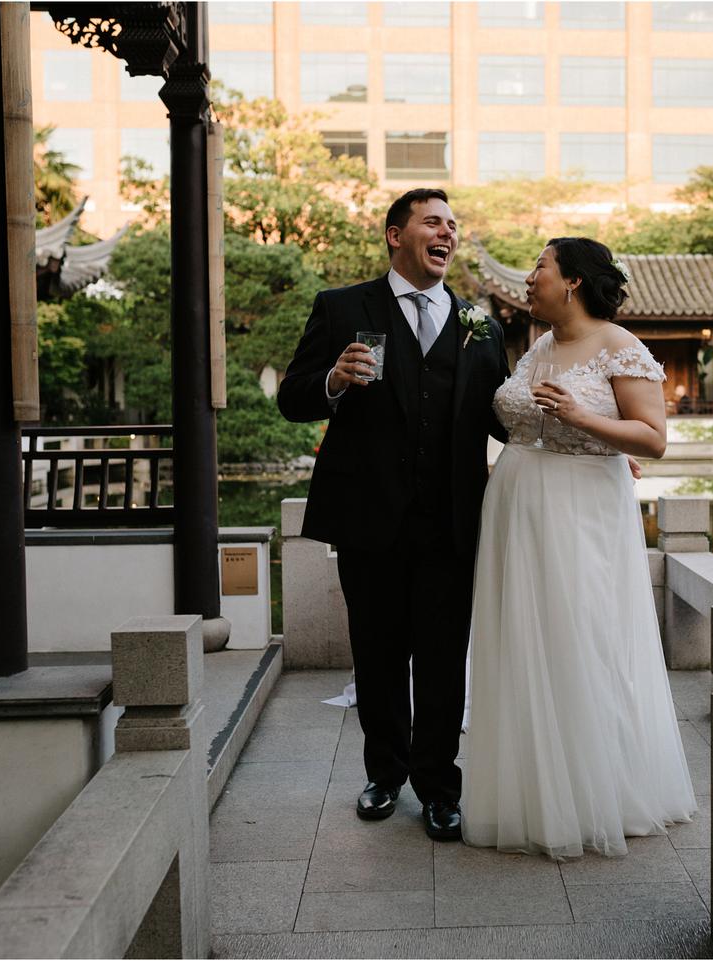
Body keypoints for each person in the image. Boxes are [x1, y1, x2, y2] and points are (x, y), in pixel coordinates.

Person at [277, 188, 510, 840]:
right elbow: (294, 399)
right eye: (434, 221)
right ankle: (384, 773)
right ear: (394, 234)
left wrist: (588, 448)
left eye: (453, 225)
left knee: (442, 659)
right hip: (368, 522)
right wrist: (333, 379)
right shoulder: (341, 307)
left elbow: (507, 417)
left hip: (451, 524)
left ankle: (439, 787)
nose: (448, 233)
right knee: (377, 656)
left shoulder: (482, 326)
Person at [462, 237, 697, 858]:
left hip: (582, 512)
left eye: (539, 265)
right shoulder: (539, 345)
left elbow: (652, 438)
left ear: (570, 282)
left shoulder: (620, 345)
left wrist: (584, 421)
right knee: (522, 639)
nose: (529, 276)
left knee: (580, 637)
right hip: (519, 505)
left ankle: (598, 794)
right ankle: (531, 792)